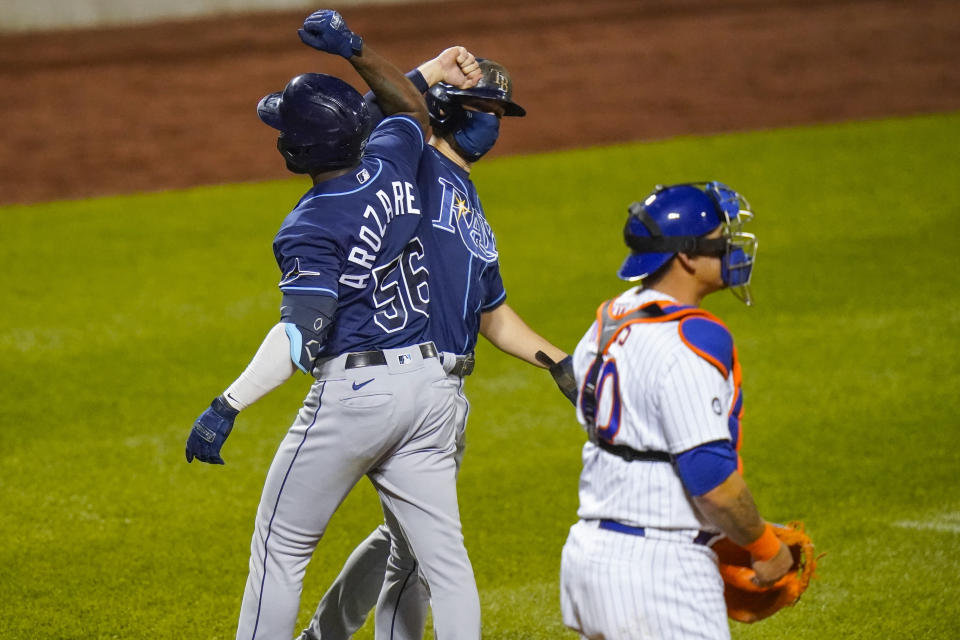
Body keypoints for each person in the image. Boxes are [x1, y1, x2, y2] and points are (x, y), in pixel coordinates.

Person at [183, 9, 488, 640]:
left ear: (293, 153)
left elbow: (299, 336)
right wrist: (357, 49)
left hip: (357, 396)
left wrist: (228, 403)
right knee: (446, 566)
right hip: (431, 390)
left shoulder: (308, 226)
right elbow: (406, 105)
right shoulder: (394, 160)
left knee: (280, 548)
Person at [296, 56, 575, 640]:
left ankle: (323, 635)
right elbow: (372, 113)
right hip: (397, 378)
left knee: (406, 539)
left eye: (501, 113)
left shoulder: (469, 200)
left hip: (442, 395)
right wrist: (412, 68)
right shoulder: (412, 165)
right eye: (484, 109)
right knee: (422, 554)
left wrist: (560, 363)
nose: (494, 123)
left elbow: (493, 314)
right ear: (446, 109)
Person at [559, 182, 793, 639]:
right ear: (686, 256)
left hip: (589, 557)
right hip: (659, 574)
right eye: (719, 240)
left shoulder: (607, 321)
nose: (730, 248)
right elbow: (710, 479)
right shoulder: (692, 340)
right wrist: (765, 547)